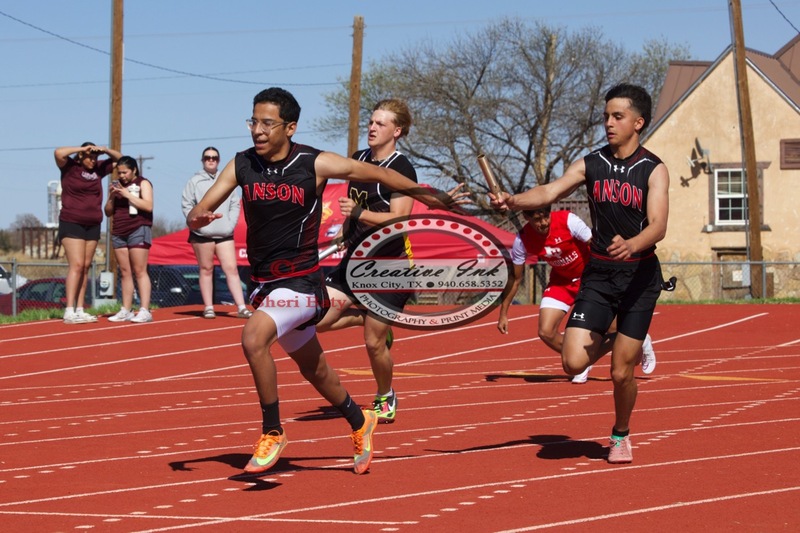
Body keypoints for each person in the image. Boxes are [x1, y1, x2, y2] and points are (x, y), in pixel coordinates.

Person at [186, 87, 455, 475]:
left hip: (303, 283)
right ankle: (360, 421)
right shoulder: (241, 164)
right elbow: (202, 207)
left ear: (289, 127)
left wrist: (432, 198)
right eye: (253, 122)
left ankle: (273, 431)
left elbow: (379, 173)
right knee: (316, 371)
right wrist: (197, 217)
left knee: (253, 338)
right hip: (264, 283)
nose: (257, 131)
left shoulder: (315, 162)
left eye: (267, 123)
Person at [491, 83, 668, 464]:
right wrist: (513, 199)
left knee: (622, 373)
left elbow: (658, 225)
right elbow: (549, 191)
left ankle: (620, 434)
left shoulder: (653, 169)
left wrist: (634, 243)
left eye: (617, 116)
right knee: (573, 363)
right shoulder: (591, 163)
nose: (608, 122)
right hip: (601, 274)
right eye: (606, 116)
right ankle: (623, 336)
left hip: (638, 275)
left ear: (638, 122)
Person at [315, 98, 417, 424]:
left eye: (381, 123)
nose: (372, 128)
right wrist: (345, 231)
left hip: (391, 267)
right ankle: (364, 317)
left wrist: (360, 214)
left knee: (374, 344)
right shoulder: (358, 159)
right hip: (354, 261)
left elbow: (399, 220)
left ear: (396, 131)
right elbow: (350, 203)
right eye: (371, 122)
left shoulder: (402, 168)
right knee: (315, 320)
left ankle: (386, 396)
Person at [181, 146, 252, 320]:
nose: (211, 160)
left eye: (214, 157)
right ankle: (208, 307)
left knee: (231, 269)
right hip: (202, 234)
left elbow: (235, 203)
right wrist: (198, 224)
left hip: (224, 232)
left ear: (218, 160)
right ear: (202, 160)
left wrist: (230, 223)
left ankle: (241, 307)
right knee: (206, 269)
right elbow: (187, 206)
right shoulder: (194, 181)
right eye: (207, 157)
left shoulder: (226, 179)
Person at [54, 142, 122, 324]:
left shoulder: (99, 169)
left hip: (93, 223)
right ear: (81, 157)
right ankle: (69, 310)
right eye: (90, 157)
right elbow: (58, 152)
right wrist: (81, 149)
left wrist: (105, 150)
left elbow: (121, 160)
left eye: (95, 157)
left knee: (85, 266)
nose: (93, 160)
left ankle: (80, 309)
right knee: (76, 265)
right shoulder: (70, 167)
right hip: (71, 222)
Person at [105, 156, 154, 323]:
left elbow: (148, 205)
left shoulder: (143, 183)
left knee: (139, 270)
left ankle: (145, 309)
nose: (122, 176)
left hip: (138, 228)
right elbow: (108, 212)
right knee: (125, 272)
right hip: (119, 230)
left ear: (134, 170)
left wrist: (127, 194)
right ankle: (126, 309)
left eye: (125, 172)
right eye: (119, 173)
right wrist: (112, 196)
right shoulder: (115, 185)